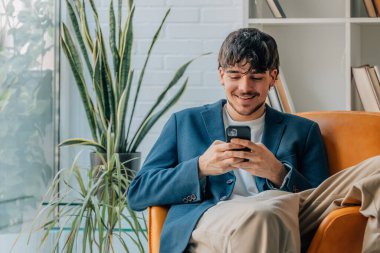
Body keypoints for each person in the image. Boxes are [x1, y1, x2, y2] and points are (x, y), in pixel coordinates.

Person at [127, 28, 380, 253]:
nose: (245, 87)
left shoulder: (303, 130)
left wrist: (278, 173)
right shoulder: (185, 123)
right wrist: (200, 167)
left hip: (290, 212)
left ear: (272, 77)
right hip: (216, 217)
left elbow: (321, 196)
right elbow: (138, 193)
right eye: (235, 75)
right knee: (263, 215)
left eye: (256, 77)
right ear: (221, 75)